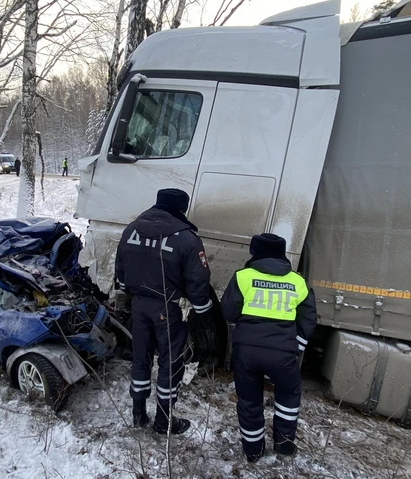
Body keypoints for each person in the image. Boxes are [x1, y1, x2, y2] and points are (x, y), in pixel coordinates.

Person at [115, 188, 213, 434]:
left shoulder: (132, 230)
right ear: (181, 209)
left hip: (139, 305)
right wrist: (202, 310)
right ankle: (164, 421)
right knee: (170, 363)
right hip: (169, 309)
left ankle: (138, 414)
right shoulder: (188, 239)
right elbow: (197, 281)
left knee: (141, 358)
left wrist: (131, 293)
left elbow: (121, 272)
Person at [220, 233, 316, 462]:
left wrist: (242, 334)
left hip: (246, 351)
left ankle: (253, 451)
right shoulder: (298, 282)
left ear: (256, 253)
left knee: (249, 400)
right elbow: (309, 318)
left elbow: (228, 311)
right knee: (289, 394)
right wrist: (297, 345)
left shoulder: (243, 277)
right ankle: (283, 445)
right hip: (283, 351)